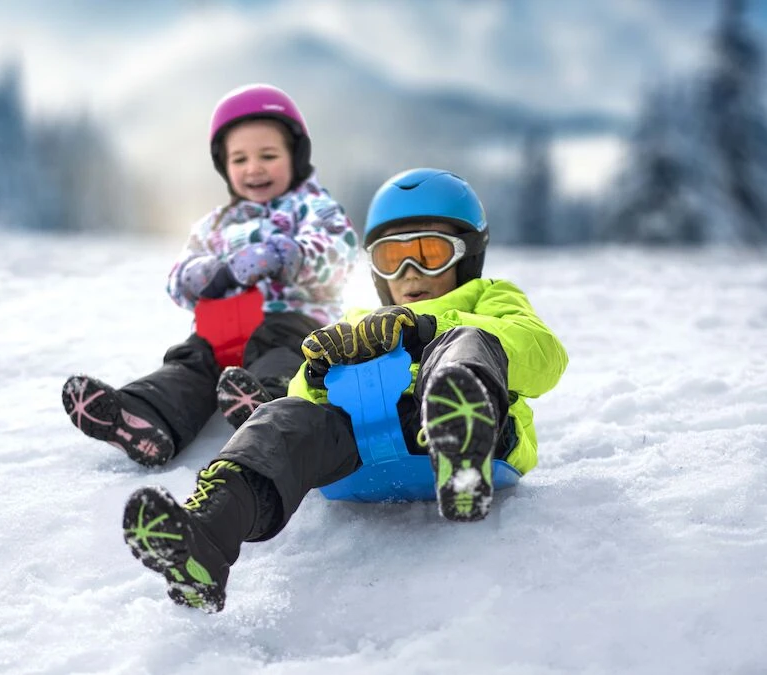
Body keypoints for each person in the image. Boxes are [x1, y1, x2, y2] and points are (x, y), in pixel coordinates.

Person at [120, 168, 569, 613]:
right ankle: (208, 534)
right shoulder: (358, 319)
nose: (411, 273)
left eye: (430, 253)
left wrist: (425, 328)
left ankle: (461, 446)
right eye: (392, 259)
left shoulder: (488, 297)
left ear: (468, 255)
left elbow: (543, 353)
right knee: (282, 420)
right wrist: (319, 375)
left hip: (478, 430)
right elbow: (300, 402)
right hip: (364, 444)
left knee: (468, 342)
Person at [61, 84, 359, 466]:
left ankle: (269, 406)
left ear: (295, 156)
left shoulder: (314, 207)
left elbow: (340, 250)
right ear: (224, 166)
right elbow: (177, 278)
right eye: (239, 159)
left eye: (268, 155)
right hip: (223, 328)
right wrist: (201, 275)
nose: (253, 168)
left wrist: (286, 254)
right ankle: (144, 414)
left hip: (292, 320)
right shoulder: (215, 223)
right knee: (191, 361)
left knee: (282, 351)